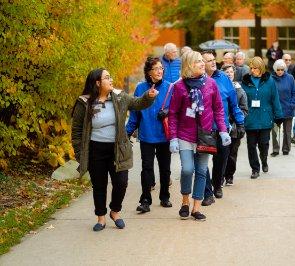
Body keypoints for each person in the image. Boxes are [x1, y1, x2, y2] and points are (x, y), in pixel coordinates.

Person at [71, 68, 157, 231]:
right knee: (99, 185)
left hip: (118, 148)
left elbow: (137, 103)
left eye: (110, 77)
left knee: (121, 183)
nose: (111, 80)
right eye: (107, 78)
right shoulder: (85, 102)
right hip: (95, 149)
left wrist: (148, 97)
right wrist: (80, 153)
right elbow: (76, 131)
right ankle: (101, 217)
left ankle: (115, 211)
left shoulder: (119, 97)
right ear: (97, 83)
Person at [168, 51, 230, 221]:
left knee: (201, 170)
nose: (202, 64)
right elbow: (172, 113)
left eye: (202, 61)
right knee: (187, 169)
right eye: (198, 62)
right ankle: (185, 202)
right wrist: (173, 137)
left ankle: (195, 208)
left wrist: (223, 130)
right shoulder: (179, 86)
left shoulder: (211, 84)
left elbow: (218, 109)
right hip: (185, 135)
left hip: (205, 135)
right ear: (189, 65)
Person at [125, 57, 173, 214]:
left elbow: (176, 111)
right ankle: (145, 200)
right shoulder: (140, 89)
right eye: (156, 68)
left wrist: (168, 112)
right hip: (146, 135)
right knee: (146, 168)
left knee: (165, 169)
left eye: (161, 68)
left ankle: (165, 196)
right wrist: (127, 133)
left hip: (164, 136)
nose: (160, 71)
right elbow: (134, 114)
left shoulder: (169, 88)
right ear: (148, 72)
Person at [201, 51, 244, 205]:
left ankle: (217, 185)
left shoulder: (224, 79)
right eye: (209, 60)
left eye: (214, 59)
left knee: (220, 160)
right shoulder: (197, 80)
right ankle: (206, 190)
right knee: (202, 162)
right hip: (204, 129)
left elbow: (233, 103)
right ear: (201, 63)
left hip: (222, 128)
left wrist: (240, 122)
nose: (213, 62)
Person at [241, 57, 283, 179]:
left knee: (264, 144)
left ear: (261, 69)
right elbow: (241, 100)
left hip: (265, 118)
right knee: (251, 145)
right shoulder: (246, 81)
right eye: (251, 68)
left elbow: (275, 99)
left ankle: (264, 160)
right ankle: (255, 168)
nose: (252, 70)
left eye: (255, 68)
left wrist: (278, 115)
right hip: (250, 119)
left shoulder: (269, 81)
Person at [222, 64, 248, 186]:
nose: (229, 74)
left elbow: (244, 109)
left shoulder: (240, 90)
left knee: (232, 153)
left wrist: (235, 117)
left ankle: (229, 176)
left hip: (235, 128)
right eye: (226, 72)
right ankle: (220, 176)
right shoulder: (219, 87)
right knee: (222, 154)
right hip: (221, 126)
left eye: (231, 72)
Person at [270, 59, 295, 156]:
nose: (280, 72)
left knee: (287, 131)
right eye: (278, 70)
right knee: (274, 131)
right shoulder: (271, 79)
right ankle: (275, 149)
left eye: (282, 69)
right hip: (275, 110)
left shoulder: (290, 78)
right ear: (275, 69)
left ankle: (286, 149)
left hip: (288, 109)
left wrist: (292, 105)